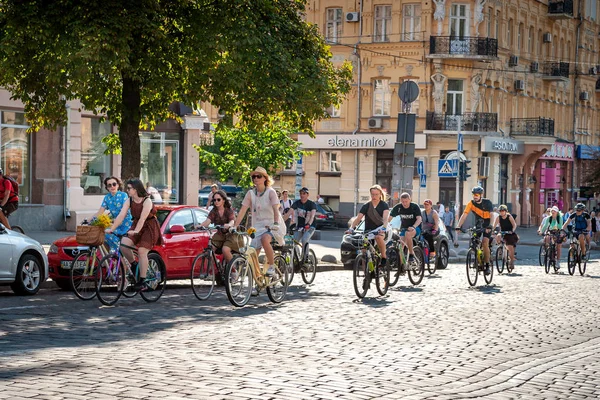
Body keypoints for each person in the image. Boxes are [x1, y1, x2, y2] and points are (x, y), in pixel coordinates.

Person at [107, 179, 164, 292]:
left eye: (129, 188)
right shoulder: (129, 200)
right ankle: (134, 265)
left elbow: (143, 218)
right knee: (123, 245)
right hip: (136, 224)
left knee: (142, 251)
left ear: (136, 189)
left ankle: (142, 281)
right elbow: (121, 215)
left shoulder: (147, 201)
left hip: (149, 227)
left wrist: (136, 231)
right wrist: (111, 229)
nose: (127, 190)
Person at [233, 167, 286, 277]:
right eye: (254, 176)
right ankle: (258, 280)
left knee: (264, 239)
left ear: (265, 178)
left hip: (273, 224)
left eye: (259, 176)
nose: (256, 178)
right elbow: (243, 210)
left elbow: (276, 210)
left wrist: (276, 223)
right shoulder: (250, 193)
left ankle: (272, 267)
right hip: (258, 226)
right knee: (252, 255)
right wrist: (235, 226)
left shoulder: (271, 192)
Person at [347, 185, 390, 267]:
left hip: (380, 229)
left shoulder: (384, 205)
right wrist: (351, 228)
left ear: (380, 194)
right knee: (364, 252)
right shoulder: (366, 205)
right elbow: (358, 218)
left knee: (378, 237)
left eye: (376, 194)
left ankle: (384, 257)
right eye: (372, 194)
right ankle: (366, 276)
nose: (374, 196)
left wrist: (384, 228)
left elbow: (385, 218)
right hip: (368, 231)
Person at [455, 186, 494, 275]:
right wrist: (458, 226)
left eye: (477, 195)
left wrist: (490, 226)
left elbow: (492, 215)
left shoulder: (487, 202)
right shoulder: (471, 204)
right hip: (478, 224)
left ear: (481, 195)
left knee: (484, 242)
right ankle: (476, 257)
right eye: (473, 195)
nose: (475, 196)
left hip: (487, 225)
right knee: (474, 240)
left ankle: (487, 265)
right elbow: (464, 215)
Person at [198, 189, 239, 269]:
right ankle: (217, 263)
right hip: (220, 234)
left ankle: (233, 271)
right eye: (214, 200)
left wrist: (229, 225)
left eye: (218, 199)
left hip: (230, 234)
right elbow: (207, 221)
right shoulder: (214, 211)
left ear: (223, 200)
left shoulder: (228, 210)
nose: (216, 201)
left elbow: (232, 221)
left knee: (225, 250)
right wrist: (199, 226)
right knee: (209, 250)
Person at [94, 177, 132, 252]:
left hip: (125, 224)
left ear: (118, 185)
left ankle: (118, 258)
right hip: (115, 224)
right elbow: (99, 212)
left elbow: (124, 213)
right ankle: (111, 259)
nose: (112, 187)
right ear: (107, 188)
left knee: (111, 236)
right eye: (109, 185)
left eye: (114, 184)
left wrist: (113, 221)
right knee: (103, 236)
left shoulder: (123, 195)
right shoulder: (107, 197)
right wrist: (89, 221)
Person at [284, 187, 317, 259]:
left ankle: (306, 259)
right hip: (299, 226)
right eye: (301, 193)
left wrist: (308, 224)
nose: (302, 195)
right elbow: (288, 214)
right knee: (293, 242)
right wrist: (279, 222)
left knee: (304, 240)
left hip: (310, 226)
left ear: (308, 195)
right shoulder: (297, 203)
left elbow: (312, 216)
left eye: (304, 193)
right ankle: (298, 258)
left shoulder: (311, 204)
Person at [388, 192, 422, 263]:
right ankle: (401, 265)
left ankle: (411, 254)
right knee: (401, 245)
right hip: (404, 228)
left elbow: (419, 219)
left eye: (406, 201)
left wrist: (413, 226)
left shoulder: (414, 207)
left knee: (408, 234)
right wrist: (385, 226)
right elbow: (389, 218)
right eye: (403, 202)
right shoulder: (398, 207)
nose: (404, 203)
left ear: (410, 200)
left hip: (416, 228)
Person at [493, 205, 518, 270]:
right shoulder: (499, 217)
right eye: (500, 211)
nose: (501, 212)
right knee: (498, 236)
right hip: (503, 232)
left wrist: (512, 230)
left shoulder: (509, 216)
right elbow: (494, 225)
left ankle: (511, 261)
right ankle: (500, 248)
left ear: (505, 211)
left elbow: (514, 225)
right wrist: (492, 230)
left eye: (502, 211)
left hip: (509, 233)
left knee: (510, 247)